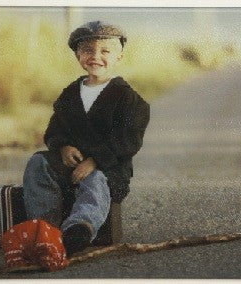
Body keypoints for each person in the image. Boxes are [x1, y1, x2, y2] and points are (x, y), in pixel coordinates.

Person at [22, 21, 150, 256]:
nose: (95, 57)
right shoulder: (70, 94)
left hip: (107, 168)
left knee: (95, 182)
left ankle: (78, 228)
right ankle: (45, 229)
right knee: (37, 163)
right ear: (78, 55)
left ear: (119, 57)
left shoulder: (129, 99)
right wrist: (62, 147)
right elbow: (54, 129)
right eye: (88, 50)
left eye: (105, 51)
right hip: (68, 166)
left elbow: (128, 140)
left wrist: (94, 161)